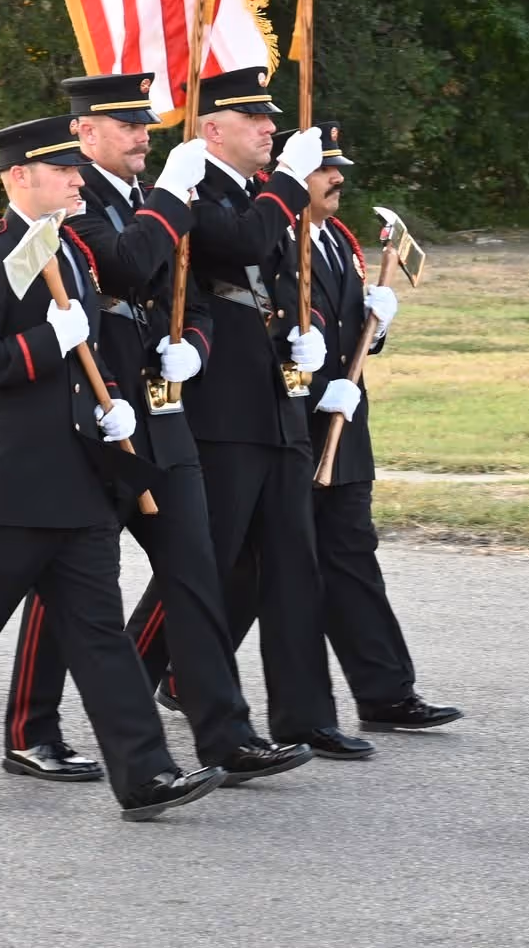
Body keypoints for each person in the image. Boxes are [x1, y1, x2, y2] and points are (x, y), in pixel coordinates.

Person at [0, 114, 221, 819]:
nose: (77, 178)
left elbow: (88, 364)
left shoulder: (74, 251)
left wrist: (114, 407)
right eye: (62, 170)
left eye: (77, 168)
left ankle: (145, 773)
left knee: (100, 635)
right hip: (14, 485)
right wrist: (48, 339)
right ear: (19, 177)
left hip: (81, 480)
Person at [4, 74, 311, 786]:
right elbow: (125, 262)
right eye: (126, 125)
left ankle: (224, 734)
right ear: (84, 135)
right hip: (96, 421)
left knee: (195, 573)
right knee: (71, 580)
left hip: (164, 416)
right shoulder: (68, 203)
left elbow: (192, 298)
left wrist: (195, 348)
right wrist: (174, 197)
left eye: (145, 123)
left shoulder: (154, 201)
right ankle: (31, 729)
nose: (144, 134)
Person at [140, 68, 372, 758]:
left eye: (271, 119)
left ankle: (304, 715)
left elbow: (277, 279)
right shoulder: (191, 191)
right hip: (220, 413)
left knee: (292, 566)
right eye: (255, 119)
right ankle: (125, 679)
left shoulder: (256, 192)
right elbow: (239, 243)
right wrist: (291, 186)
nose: (272, 128)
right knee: (199, 568)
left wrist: (307, 344)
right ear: (213, 130)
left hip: (278, 404)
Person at [262, 121, 461, 733]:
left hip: (344, 426)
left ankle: (386, 694)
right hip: (291, 424)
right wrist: (313, 382)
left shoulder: (339, 240)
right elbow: (270, 333)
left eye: (337, 167)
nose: (337, 177)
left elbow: (348, 336)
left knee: (350, 556)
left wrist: (377, 327)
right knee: (245, 568)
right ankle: (162, 670)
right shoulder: (276, 239)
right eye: (324, 169)